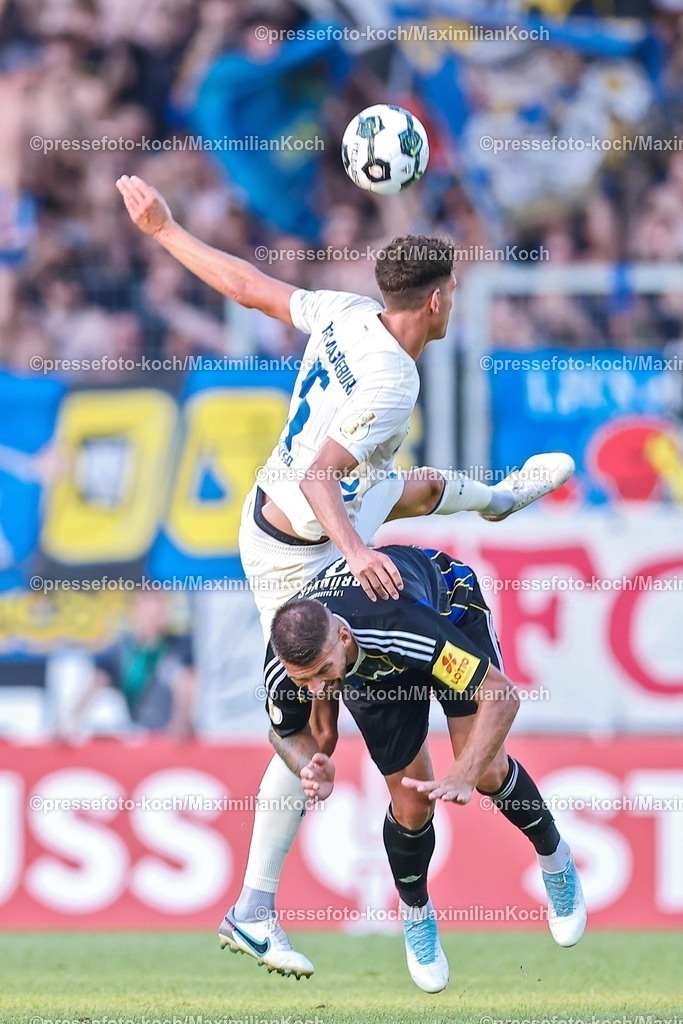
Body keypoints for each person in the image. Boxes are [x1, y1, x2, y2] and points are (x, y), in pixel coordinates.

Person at [116, 173, 575, 976]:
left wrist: (164, 232)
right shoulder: (395, 382)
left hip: (291, 507)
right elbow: (322, 479)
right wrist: (356, 555)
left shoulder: (344, 312)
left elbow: (250, 287)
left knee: (415, 486)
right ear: (436, 302)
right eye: (453, 294)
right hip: (301, 546)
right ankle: (255, 906)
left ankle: (500, 498)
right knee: (310, 718)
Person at [226, 544, 586, 993]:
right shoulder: (289, 663)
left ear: (342, 636)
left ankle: (556, 859)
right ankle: (416, 914)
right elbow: (282, 732)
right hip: (373, 674)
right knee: (412, 805)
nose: (316, 687)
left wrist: (463, 774)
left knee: (490, 771)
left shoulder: (398, 628)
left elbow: (502, 695)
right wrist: (308, 765)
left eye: (321, 671)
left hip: (445, 614)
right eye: (305, 680)